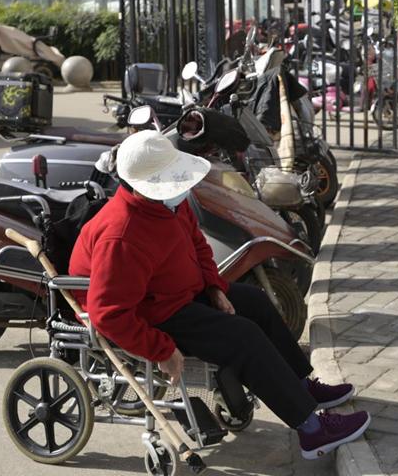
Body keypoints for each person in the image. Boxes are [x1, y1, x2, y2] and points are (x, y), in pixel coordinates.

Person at [69, 130, 370, 460]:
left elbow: (198, 245)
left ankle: (302, 387)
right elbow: (109, 314)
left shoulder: (169, 206)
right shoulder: (121, 235)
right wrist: (161, 350)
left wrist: (214, 286)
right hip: (153, 313)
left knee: (255, 303)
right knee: (243, 337)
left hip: (178, 294)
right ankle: (311, 430)